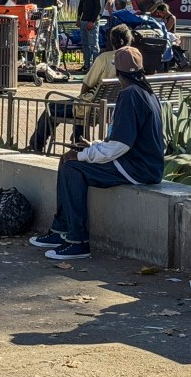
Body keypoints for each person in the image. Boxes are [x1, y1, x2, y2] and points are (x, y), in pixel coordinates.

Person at [29, 46, 165, 260]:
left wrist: (85, 155)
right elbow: (124, 140)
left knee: (72, 165)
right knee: (68, 162)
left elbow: (120, 145)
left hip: (137, 168)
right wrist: (93, 146)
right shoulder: (146, 92)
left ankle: (77, 240)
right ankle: (60, 230)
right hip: (144, 165)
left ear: (117, 73)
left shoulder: (129, 94)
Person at [29, 25, 133, 152]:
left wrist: (81, 96)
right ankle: (78, 143)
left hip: (93, 108)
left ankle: (36, 145)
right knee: (80, 106)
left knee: (52, 107)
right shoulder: (135, 58)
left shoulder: (105, 58)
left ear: (112, 41)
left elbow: (87, 84)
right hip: (114, 109)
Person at [30, 0, 63, 68]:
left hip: (36, 21)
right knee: (52, 41)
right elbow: (58, 5)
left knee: (35, 41)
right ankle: (53, 62)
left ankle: (31, 60)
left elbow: (31, 4)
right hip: (49, 21)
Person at [74, 0, 103, 72]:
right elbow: (81, 5)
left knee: (93, 44)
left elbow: (98, 7)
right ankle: (86, 65)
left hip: (92, 21)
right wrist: (78, 18)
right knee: (85, 44)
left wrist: (92, 21)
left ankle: (95, 68)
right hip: (83, 20)